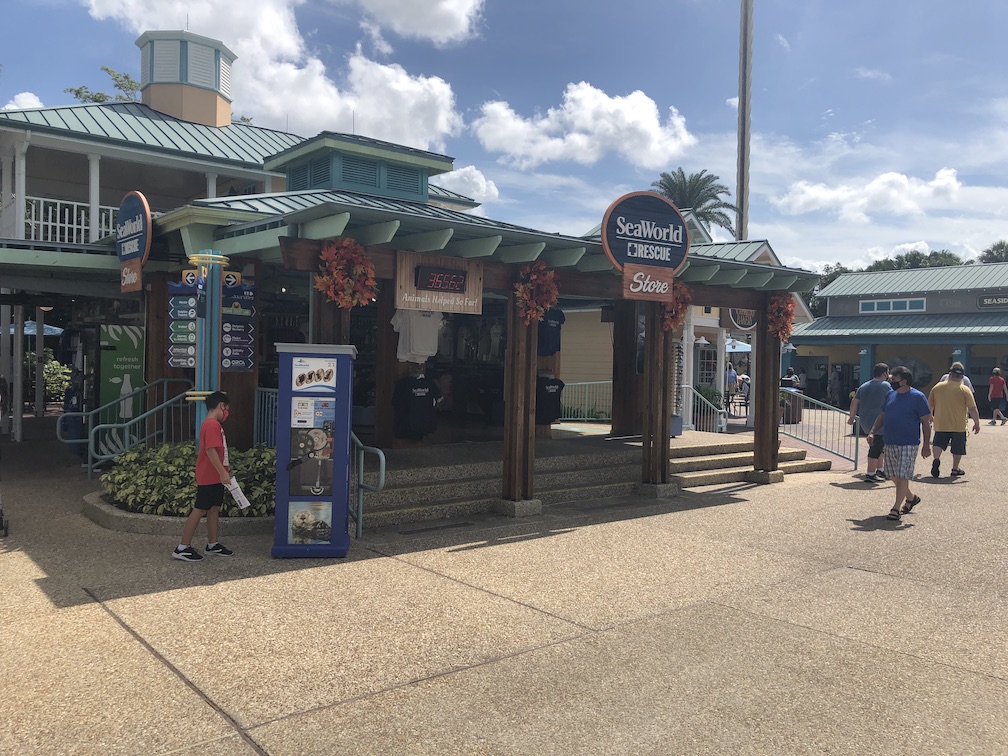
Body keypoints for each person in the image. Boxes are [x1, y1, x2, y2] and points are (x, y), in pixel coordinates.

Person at [173, 391, 235, 561]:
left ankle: (212, 544)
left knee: (214, 508)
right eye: (226, 409)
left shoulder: (210, 424)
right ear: (221, 405)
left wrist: (222, 472)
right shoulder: (212, 425)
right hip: (210, 475)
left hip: (215, 476)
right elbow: (210, 450)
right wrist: (222, 472)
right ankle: (182, 547)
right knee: (200, 508)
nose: (226, 413)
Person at [867, 366, 932, 522]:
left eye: (894, 379)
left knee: (903, 475)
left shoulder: (918, 397)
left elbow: (926, 422)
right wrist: (872, 431)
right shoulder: (890, 395)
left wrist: (926, 445)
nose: (891, 382)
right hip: (890, 441)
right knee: (892, 475)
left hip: (908, 443)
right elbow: (882, 416)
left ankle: (896, 509)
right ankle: (911, 498)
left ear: (904, 381)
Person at [928, 362, 980, 479]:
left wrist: (930, 416)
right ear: (962, 377)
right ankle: (955, 468)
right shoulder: (964, 389)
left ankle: (936, 459)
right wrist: (976, 423)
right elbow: (972, 408)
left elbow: (930, 404)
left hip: (941, 423)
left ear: (949, 374)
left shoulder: (937, 387)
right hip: (959, 425)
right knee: (958, 448)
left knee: (938, 443)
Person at [848, 363, 892, 482]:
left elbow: (854, 402)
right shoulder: (885, 386)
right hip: (879, 422)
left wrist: (851, 417)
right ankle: (871, 473)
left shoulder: (864, 386)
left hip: (865, 421)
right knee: (876, 447)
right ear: (884, 373)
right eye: (888, 372)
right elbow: (893, 400)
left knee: (879, 445)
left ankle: (880, 469)